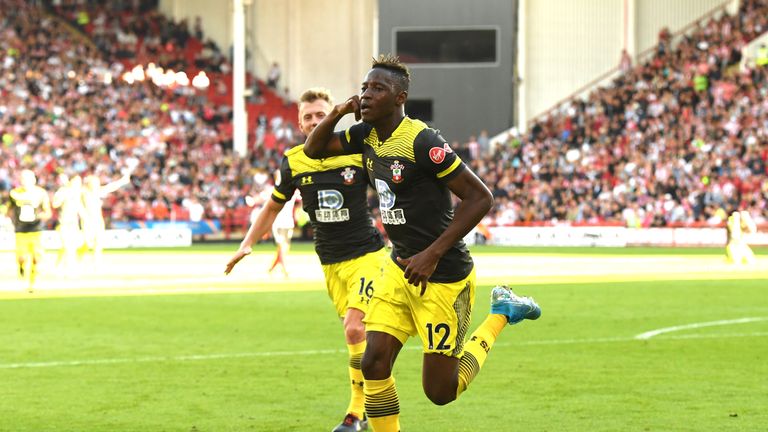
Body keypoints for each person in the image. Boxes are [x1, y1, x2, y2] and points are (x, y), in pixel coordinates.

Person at [303, 54, 541, 432]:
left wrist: (432, 254)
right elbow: (313, 150)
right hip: (398, 268)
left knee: (441, 391)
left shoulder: (422, 140)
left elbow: (480, 197)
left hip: (442, 274)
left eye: (377, 89)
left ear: (400, 98)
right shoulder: (365, 134)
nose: (366, 95)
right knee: (373, 362)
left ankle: (502, 313)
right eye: (364, 87)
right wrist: (337, 111)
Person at [225, 87, 387, 432]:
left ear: (333, 117)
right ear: (300, 125)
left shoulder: (357, 152)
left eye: (321, 114)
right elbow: (273, 205)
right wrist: (247, 244)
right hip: (330, 263)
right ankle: (374, 394)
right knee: (358, 337)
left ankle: (356, 413)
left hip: (368, 255)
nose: (315, 121)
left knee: (355, 326)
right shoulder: (294, 160)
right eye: (309, 117)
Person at [7, 169, 52, 292]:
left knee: (35, 258)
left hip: (35, 229)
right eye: (22, 179)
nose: (24, 181)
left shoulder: (41, 193)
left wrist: (38, 216)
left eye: (27, 179)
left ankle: (32, 283)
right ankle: (21, 267)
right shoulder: (14, 193)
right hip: (20, 230)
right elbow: (9, 209)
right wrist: (11, 219)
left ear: (33, 180)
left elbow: (48, 212)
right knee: (21, 257)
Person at [81, 172, 132, 262]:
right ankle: (79, 258)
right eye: (95, 183)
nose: (97, 184)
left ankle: (96, 261)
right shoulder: (84, 192)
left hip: (98, 220)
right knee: (87, 243)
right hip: (88, 221)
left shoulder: (97, 191)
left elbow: (111, 187)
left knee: (99, 242)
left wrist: (122, 181)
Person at [52, 174, 86, 275]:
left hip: (74, 223)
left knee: (70, 246)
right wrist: (62, 198)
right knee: (67, 246)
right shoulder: (63, 191)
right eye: (77, 181)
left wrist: (85, 218)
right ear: (71, 181)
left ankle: (58, 265)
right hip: (64, 222)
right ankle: (69, 269)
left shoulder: (77, 193)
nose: (79, 184)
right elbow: (55, 203)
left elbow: (79, 207)